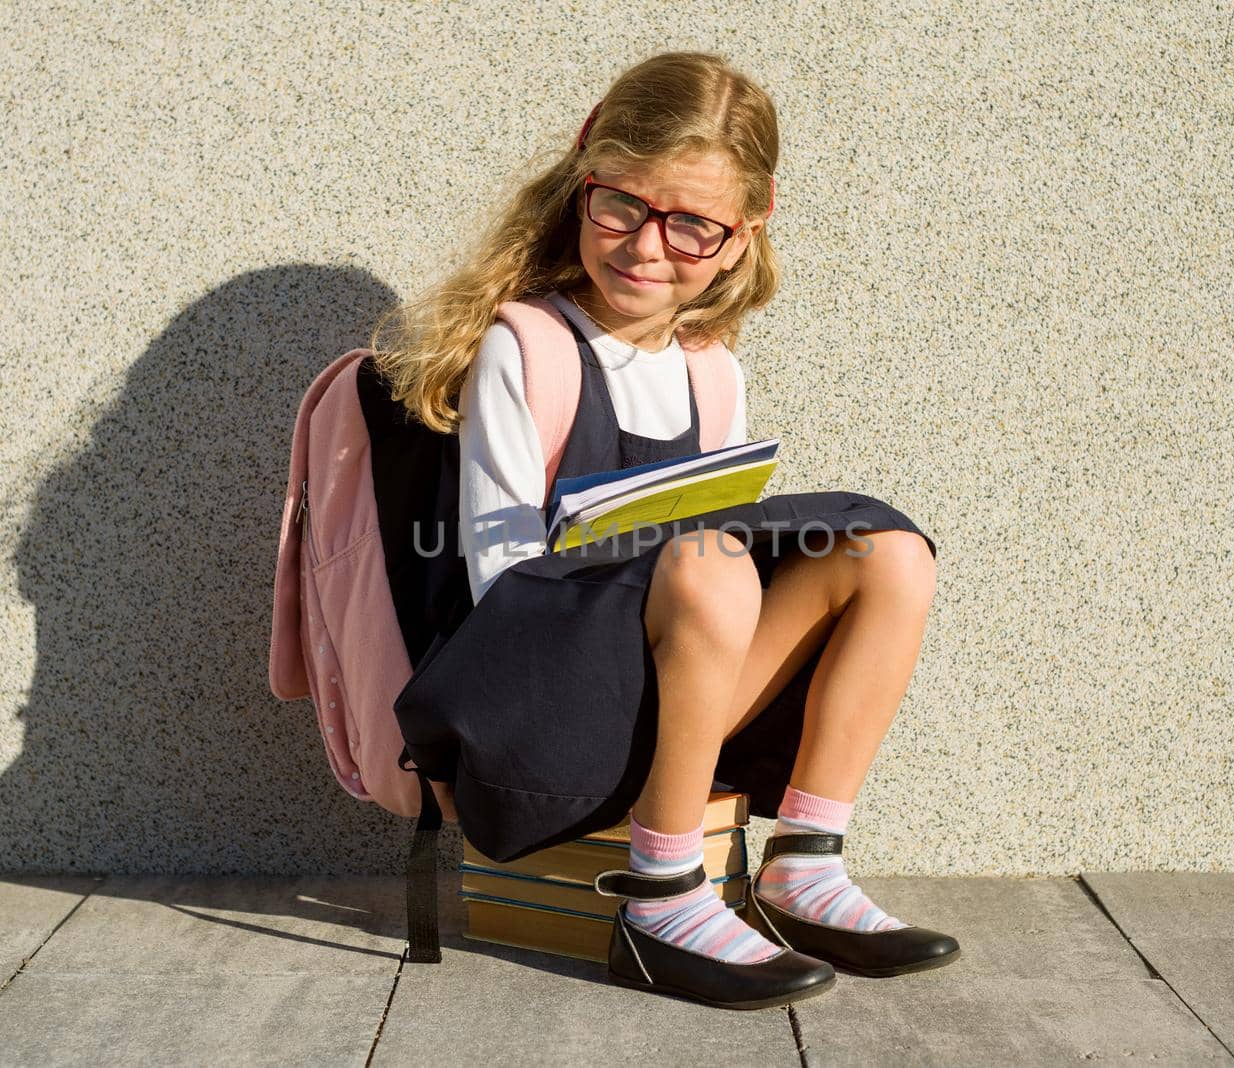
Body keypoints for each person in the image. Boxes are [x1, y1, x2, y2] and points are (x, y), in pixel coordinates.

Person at [377, 50, 958, 1011]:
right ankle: (659, 896)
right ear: (581, 185)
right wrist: (647, 560)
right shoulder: (530, 348)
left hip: (672, 702)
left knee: (885, 554)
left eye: (691, 225)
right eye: (620, 206)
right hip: (537, 716)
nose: (646, 248)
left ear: (745, 230)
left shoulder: (710, 369)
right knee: (705, 561)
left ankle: (803, 865)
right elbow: (499, 586)